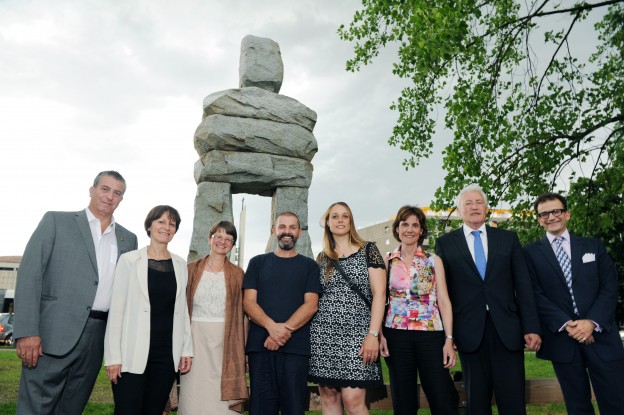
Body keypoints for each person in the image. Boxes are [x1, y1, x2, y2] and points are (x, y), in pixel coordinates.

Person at [13, 170, 138, 415]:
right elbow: (29, 276)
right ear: (92, 190)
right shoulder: (55, 222)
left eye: (117, 193)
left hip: (96, 339)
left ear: (121, 199)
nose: (110, 196)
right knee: (35, 408)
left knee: (72, 408)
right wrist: (27, 332)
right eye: (105, 189)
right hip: (50, 335)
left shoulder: (128, 239)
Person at [435, 184, 541, 415]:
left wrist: (531, 327)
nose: (474, 207)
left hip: (508, 329)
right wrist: (448, 336)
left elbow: (523, 286)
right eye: (468, 203)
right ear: (459, 210)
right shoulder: (445, 243)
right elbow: (443, 293)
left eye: (479, 202)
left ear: (486, 207)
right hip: (468, 331)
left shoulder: (508, 239)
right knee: (477, 403)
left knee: (513, 401)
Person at [524, 193, 624, 414]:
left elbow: (609, 286)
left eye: (556, 211)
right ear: (539, 220)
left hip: (602, 336)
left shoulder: (593, 246)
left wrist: (591, 322)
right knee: (577, 407)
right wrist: (567, 324)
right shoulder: (529, 254)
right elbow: (533, 294)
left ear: (567, 214)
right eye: (544, 214)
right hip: (562, 339)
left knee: (617, 403)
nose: (551, 217)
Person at [104, 205, 193, 415]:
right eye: (161, 221)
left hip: (166, 354)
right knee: (127, 410)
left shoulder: (180, 265)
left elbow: (182, 311)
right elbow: (116, 311)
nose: (166, 227)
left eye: (172, 224)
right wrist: (113, 357)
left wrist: (186, 349)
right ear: (149, 226)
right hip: (132, 353)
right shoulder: (129, 261)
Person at [308, 201, 386, 414]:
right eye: (334, 216)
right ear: (327, 223)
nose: (340, 220)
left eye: (345, 216)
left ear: (351, 221)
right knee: (329, 399)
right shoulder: (322, 258)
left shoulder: (368, 250)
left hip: (358, 335)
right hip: (323, 336)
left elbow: (380, 294)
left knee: (353, 402)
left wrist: (373, 334)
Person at [380, 205, 458, 414]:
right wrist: (380, 334)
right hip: (396, 336)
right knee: (403, 402)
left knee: (442, 398)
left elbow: (444, 300)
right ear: (397, 228)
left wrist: (449, 340)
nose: (410, 229)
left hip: (430, 335)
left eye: (415, 225)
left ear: (421, 230)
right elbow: (379, 300)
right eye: (405, 224)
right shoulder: (387, 261)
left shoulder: (433, 261)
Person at [243, 211, 322, 414]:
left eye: (292, 227)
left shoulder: (309, 266)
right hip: (261, 348)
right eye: (282, 227)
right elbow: (248, 302)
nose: (287, 232)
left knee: (294, 408)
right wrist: (272, 328)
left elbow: (311, 305)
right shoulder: (257, 263)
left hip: (296, 350)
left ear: (299, 232)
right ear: (273, 230)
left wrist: (281, 333)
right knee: (260, 409)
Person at [178, 221, 248, 414]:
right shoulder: (190, 269)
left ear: (232, 245)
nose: (222, 241)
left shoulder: (238, 274)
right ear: (209, 239)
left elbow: (243, 316)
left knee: (221, 398)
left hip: (226, 342)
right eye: (218, 236)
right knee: (195, 393)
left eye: (228, 239)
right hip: (195, 340)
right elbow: (180, 309)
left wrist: (244, 349)